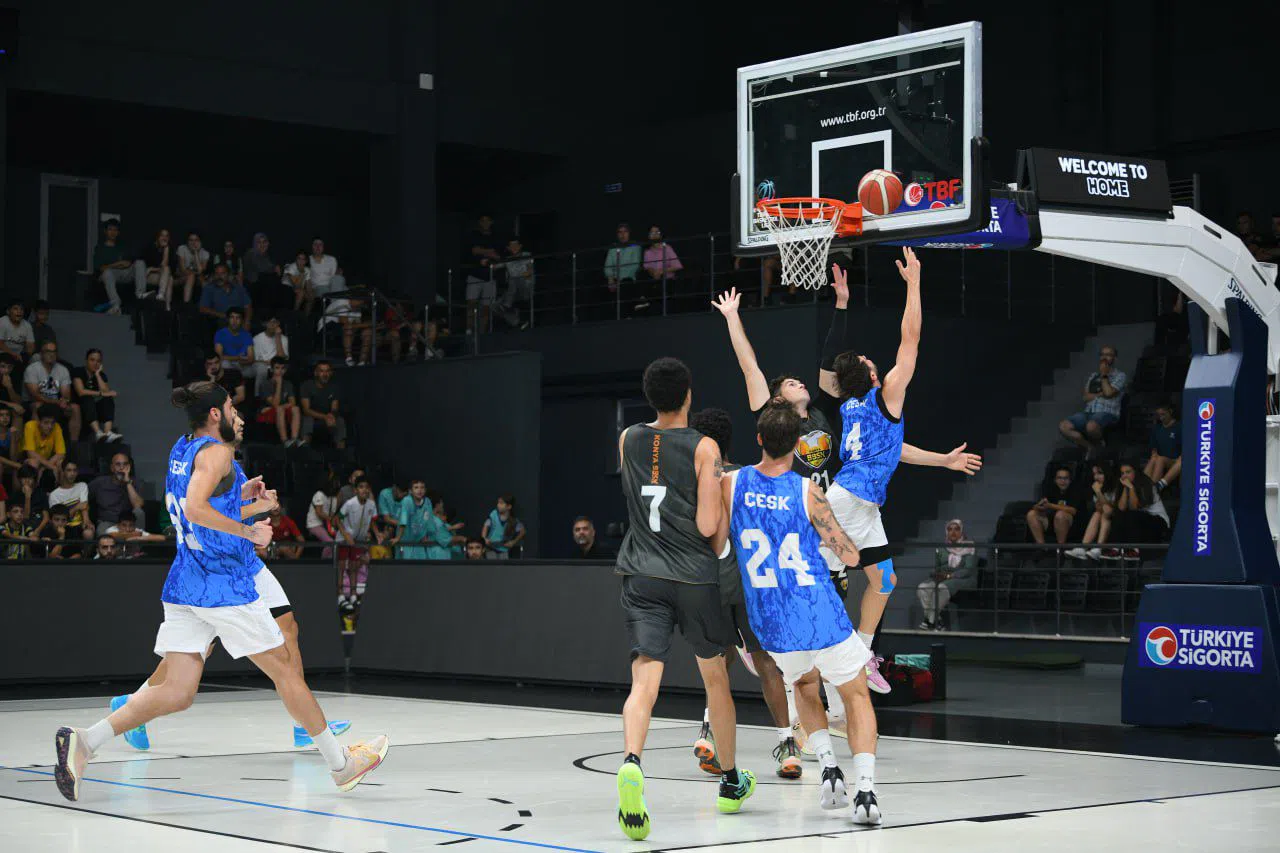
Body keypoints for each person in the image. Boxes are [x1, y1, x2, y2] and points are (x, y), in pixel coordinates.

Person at [56, 381, 385, 800]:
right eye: (231, 407)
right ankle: (341, 765)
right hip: (222, 584)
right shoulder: (219, 451)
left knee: (177, 691)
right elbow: (195, 507)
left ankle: (84, 742)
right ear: (216, 414)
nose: (236, 413)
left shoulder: (183, 447)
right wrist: (250, 529)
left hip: (185, 580)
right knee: (285, 669)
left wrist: (239, 499)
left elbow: (195, 505)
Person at [712, 259, 980, 698]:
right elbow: (909, 341)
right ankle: (769, 641)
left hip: (854, 500)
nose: (803, 382)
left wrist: (942, 461)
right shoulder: (799, 411)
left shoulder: (843, 409)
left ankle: (861, 652)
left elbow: (892, 451)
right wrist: (914, 283)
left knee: (885, 580)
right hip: (826, 502)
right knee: (803, 581)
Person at [614, 357, 753, 841]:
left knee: (644, 678)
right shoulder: (705, 446)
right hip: (694, 577)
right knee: (716, 679)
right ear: (688, 394)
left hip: (641, 572)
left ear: (649, 396)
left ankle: (632, 760)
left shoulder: (628, 438)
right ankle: (732, 781)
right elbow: (709, 526)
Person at [723, 402, 881, 824]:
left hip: (770, 619)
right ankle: (865, 791)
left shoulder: (730, 484)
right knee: (856, 694)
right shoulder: (808, 491)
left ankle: (828, 767)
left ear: (758, 439)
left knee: (805, 687)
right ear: (797, 444)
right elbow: (847, 553)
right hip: (816, 610)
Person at [688, 406, 803, 781]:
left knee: (718, 664)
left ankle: (708, 733)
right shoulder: (744, 478)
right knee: (767, 663)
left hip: (715, 582)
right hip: (755, 582)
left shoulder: (696, 479)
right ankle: (787, 746)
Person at [1058, 345, 1127, 455]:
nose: (1104, 357)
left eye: (1108, 355)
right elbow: (1086, 397)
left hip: (1107, 413)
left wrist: (1104, 375)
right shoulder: (1093, 376)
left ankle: (1100, 445)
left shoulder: (1120, 375)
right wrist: (1101, 393)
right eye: (1102, 354)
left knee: (1091, 426)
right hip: (1088, 412)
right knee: (1064, 426)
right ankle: (1090, 447)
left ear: (1115, 358)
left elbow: (1109, 393)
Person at [917, 519, 977, 630]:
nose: (953, 532)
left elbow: (968, 570)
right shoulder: (942, 548)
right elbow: (938, 567)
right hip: (944, 578)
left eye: (956, 529)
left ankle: (929, 621)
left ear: (962, 531)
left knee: (941, 588)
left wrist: (950, 576)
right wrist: (937, 574)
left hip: (964, 579)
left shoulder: (969, 546)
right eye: (950, 529)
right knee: (923, 587)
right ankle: (937, 621)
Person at [1106, 462, 1171, 559]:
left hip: (1158, 521)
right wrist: (1125, 487)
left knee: (1133, 514)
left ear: (1135, 472)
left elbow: (1134, 507)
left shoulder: (1147, 484)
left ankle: (1134, 550)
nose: (1125, 476)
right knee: (1119, 514)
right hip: (1139, 522)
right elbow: (1121, 507)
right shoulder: (1124, 485)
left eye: (1128, 472)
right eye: (1122, 473)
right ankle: (1115, 548)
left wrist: (1131, 488)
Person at [24, 341, 81, 440]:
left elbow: (66, 393)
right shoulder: (32, 369)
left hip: (56, 404)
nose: (51, 354)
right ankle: (38, 443)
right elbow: (35, 395)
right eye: (48, 351)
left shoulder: (62, 370)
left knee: (75, 408)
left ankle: (73, 446)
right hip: (37, 402)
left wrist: (65, 400)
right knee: (37, 406)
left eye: (54, 352)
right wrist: (57, 402)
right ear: (41, 354)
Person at [1066, 463, 1120, 560]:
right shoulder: (1098, 486)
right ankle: (1083, 547)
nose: (1096, 477)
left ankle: (1098, 548)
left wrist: (1098, 492)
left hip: (1119, 518)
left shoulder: (1116, 486)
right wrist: (1098, 492)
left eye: (1099, 473)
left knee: (1105, 512)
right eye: (1094, 474)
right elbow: (1099, 508)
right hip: (1104, 516)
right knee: (1097, 513)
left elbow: (1112, 509)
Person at [70, 349, 123, 443]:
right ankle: (98, 432)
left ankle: (108, 432)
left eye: (98, 361)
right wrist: (101, 393)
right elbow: (81, 392)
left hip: (96, 408)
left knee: (108, 399)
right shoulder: (78, 371)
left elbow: (106, 392)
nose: (95, 363)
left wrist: (98, 375)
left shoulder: (101, 375)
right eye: (92, 360)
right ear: (86, 360)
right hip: (80, 406)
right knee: (87, 398)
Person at [1025, 466, 1081, 546]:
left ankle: (1060, 548)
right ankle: (1042, 547)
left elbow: (1073, 511)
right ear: (1055, 480)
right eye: (1059, 478)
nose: (1063, 481)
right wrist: (1038, 506)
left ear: (1070, 480)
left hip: (1072, 524)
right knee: (1031, 514)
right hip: (1051, 522)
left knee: (1060, 515)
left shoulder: (1075, 490)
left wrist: (1050, 505)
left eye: (1066, 478)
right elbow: (1039, 505)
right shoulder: (1051, 489)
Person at [88, 452, 146, 529]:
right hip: (108, 523)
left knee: (139, 512)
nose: (122, 468)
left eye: (125, 464)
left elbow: (138, 505)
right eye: (118, 464)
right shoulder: (99, 482)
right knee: (102, 531)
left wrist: (128, 482)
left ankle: (138, 540)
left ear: (129, 467)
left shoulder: (136, 482)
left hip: (129, 523)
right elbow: (83, 498)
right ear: (112, 468)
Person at [93, 219, 137, 314]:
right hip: (105, 275)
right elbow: (101, 268)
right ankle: (116, 305)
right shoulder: (100, 248)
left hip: (122, 274)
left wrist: (116, 266)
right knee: (108, 272)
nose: (113, 232)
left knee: (140, 263)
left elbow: (127, 264)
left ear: (118, 232)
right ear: (105, 231)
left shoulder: (122, 247)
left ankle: (140, 294)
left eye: (115, 230)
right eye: (110, 229)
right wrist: (117, 264)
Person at [258, 357, 302, 447]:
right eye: (277, 368)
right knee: (279, 409)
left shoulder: (288, 384)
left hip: (280, 409)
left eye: (283, 368)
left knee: (296, 408)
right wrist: (279, 384)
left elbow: (293, 402)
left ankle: (294, 439)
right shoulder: (265, 384)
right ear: (272, 369)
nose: (280, 371)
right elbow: (275, 404)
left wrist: (282, 406)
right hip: (266, 411)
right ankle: (285, 441)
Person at [22, 405, 67, 492]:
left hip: (47, 461)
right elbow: (30, 453)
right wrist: (50, 466)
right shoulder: (30, 426)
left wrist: (45, 467)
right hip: (27, 460)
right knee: (33, 462)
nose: (50, 426)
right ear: (38, 421)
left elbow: (61, 453)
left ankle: (60, 494)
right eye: (46, 423)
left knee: (61, 463)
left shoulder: (56, 427)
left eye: (52, 423)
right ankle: (31, 493)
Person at [48, 460, 93, 541]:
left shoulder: (82, 486)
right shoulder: (54, 495)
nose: (72, 474)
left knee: (89, 532)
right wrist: (76, 507)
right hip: (64, 526)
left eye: (74, 470)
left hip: (79, 525)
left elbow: (84, 507)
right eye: (69, 470)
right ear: (63, 472)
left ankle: (84, 554)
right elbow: (59, 518)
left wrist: (86, 521)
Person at [1144, 399, 1182, 493]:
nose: (1161, 418)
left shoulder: (1180, 426)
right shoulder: (1157, 428)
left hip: (1175, 460)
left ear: (1170, 411)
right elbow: (1154, 447)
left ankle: (1154, 490)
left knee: (1161, 459)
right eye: (1159, 415)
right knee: (1156, 458)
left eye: (1163, 414)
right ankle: (1145, 487)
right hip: (1161, 459)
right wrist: (1154, 454)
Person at [481, 494, 526, 558]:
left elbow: (523, 531)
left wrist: (513, 542)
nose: (498, 505)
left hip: (504, 549)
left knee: (503, 566)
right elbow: (485, 526)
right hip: (490, 547)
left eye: (501, 503)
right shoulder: (494, 514)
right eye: (498, 503)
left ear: (509, 506)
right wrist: (484, 538)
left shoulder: (514, 521)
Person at [177, 232, 210, 306]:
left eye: (196, 240)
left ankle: (204, 306)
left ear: (200, 242)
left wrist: (195, 252)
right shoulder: (182, 248)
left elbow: (201, 271)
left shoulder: (205, 253)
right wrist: (195, 273)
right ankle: (186, 305)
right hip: (181, 276)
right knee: (191, 276)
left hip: (198, 278)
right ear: (187, 241)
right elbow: (182, 269)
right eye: (191, 240)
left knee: (204, 281)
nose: (193, 243)